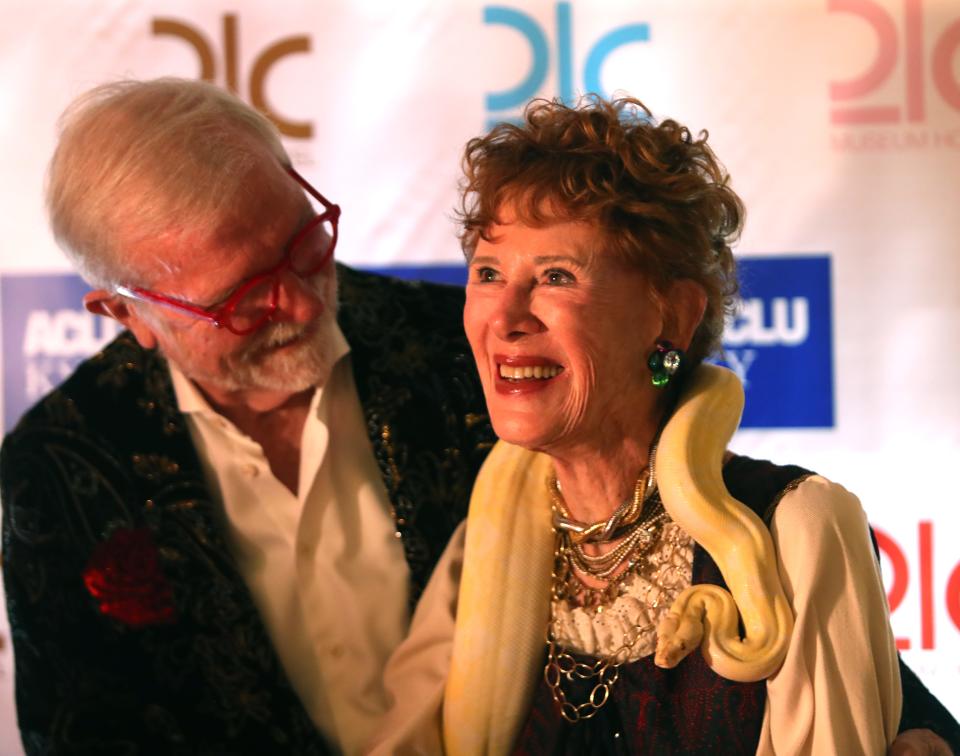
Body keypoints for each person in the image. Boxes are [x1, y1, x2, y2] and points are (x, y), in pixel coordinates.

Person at [369, 96, 960, 754]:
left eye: (555, 276)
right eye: (487, 273)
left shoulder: (795, 529)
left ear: (672, 317)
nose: (505, 316)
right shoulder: (481, 544)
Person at [0, 78, 493, 755]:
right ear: (127, 314)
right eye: (241, 298)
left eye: (305, 244)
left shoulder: (464, 351)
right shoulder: (58, 469)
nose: (302, 306)